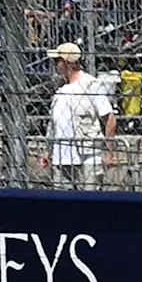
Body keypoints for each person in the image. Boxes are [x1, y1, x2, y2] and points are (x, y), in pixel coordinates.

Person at [44, 41, 111, 188]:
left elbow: (109, 118)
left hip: (87, 155)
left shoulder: (91, 85)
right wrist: (48, 151)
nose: (55, 65)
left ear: (67, 62)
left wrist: (109, 150)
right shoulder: (60, 90)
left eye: (58, 61)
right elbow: (53, 124)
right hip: (61, 157)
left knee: (88, 202)